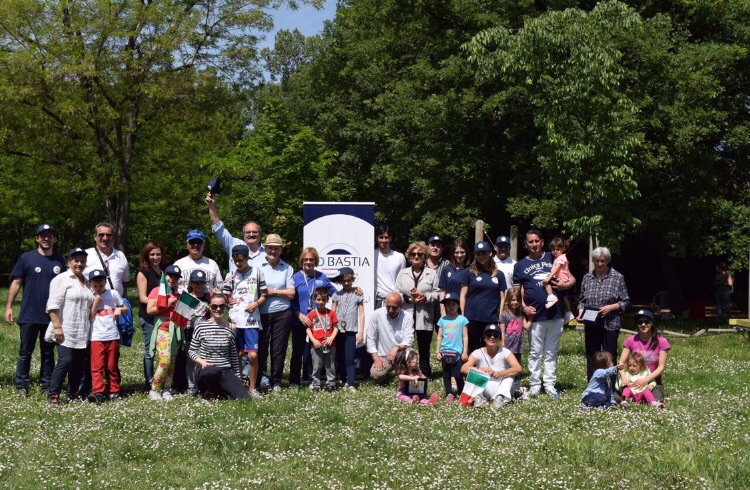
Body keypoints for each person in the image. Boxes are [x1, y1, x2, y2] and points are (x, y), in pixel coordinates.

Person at [5, 223, 66, 397]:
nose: (46, 238)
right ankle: (22, 386)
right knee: (25, 352)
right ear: (37, 238)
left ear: (54, 239)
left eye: (50, 235)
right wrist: (9, 306)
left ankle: (46, 385)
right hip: (29, 314)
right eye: (43, 235)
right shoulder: (26, 258)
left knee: (48, 353)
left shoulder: (60, 261)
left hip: (51, 316)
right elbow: (16, 282)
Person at [513, 229, 575, 398]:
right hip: (535, 315)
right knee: (535, 352)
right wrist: (524, 308)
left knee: (551, 352)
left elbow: (572, 278)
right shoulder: (520, 265)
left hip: (556, 313)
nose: (534, 244)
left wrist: (565, 285)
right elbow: (517, 292)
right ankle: (534, 384)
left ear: (542, 242)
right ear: (525, 244)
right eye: (530, 242)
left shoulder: (553, 256)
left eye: (537, 241)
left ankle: (549, 384)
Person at [45, 247, 95, 405]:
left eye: (82, 261)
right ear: (69, 262)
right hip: (65, 328)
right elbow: (53, 305)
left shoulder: (87, 282)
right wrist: (57, 326)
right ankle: (53, 394)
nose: (79, 264)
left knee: (78, 364)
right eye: (76, 260)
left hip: (82, 330)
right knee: (65, 360)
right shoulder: (61, 279)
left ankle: (73, 392)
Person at [576, 246, 630, 381]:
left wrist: (611, 307)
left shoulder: (617, 277)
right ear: (593, 261)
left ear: (608, 261)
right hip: (591, 323)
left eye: (603, 261)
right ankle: (593, 385)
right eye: (596, 260)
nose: (599, 264)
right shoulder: (587, 277)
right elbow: (581, 300)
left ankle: (610, 386)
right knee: (592, 355)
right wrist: (580, 312)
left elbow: (626, 301)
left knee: (609, 355)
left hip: (610, 323)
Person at [222, 244, 267, 397]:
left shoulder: (257, 272)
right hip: (235, 320)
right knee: (238, 355)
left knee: (252, 355)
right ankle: (240, 386)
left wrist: (256, 303)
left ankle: (253, 388)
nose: (238, 263)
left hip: (251, 320)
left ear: (247, 258)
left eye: (241, 260)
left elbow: (264, 294)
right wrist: (228, 301)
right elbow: (226, 297)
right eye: (235, 261)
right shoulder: (230, 276)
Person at [290, 247, 337, 388]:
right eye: (305, 259)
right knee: (297, 352)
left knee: (317, 350)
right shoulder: (295, 278)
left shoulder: (321, 277)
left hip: (318, 321)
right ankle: (294, 381)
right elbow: (290, 301)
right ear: (301, 261)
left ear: (316, 261)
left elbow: (336, 294)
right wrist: (299, 315)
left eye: (311, 259)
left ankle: (313, 379)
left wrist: (353, 290)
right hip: (300, 320)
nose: (308, 262)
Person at [189, 293, 249, 400]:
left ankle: (221, 391)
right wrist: (202, 362)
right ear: (209, 307)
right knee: (212, 372)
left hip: (225, 369)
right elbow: (192, 351)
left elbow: (233, 356)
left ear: (225, 307)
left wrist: (237, 378)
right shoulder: (201, 327)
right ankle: (210, 393)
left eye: (221, 306)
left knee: (244, 398)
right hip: (207, 370)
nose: (218, 309)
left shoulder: (231, 327)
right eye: (214, 306)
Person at [395, 241, 440, 377]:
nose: (416, 257)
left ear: (424, 257)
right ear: (409, 257)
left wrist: (424, 296)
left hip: (424, 316)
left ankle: (425, 373)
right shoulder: (402, 273)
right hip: (406, 314)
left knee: (424, 347)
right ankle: (404, 372)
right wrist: (410, 300)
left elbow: (437, 293)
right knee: (406, 345)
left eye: (420, 254)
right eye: (413, 254)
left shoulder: (431, 273)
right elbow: (397, 293)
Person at [258, 234, 295, 392]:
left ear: (281, 250)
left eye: (276, 248)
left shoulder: (287, 268)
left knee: (278, 350)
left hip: (282, 313)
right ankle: (260, 379)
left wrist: (274, 292)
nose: (273, 251)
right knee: (261, 349)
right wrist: (281, 292)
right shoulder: (257, 267)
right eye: (270, 248)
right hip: (261, 313)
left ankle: (277, 382)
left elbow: (291, 293)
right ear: (265, 249)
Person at [87, 269, 127, 404]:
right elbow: (90, 317)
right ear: (90, 284)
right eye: (95, 286)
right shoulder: (90, 296)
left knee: (111, 366)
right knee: (97, 366)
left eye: (101, 285)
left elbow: (125, 307)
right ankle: (98, 391)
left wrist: (118, 309)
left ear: (105, 282)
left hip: (112, 335)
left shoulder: (113, 293)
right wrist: (96, 302)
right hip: (96, 336)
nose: (98, 288)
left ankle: (114, 391)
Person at [460, 324, 521, 409]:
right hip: (483, 386)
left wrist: (501, 373)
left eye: (496, 336)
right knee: (473, 373)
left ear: (499, 339)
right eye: (489, 335)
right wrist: (480, 369)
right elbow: (463, 369)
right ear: (484, 338)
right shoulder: (477, 353)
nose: (492, 338)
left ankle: (500, 398)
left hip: (501, 385)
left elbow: (518, 368)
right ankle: (479, 398)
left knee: (510, 377)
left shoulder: (505, 352)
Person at [461, 241, 506, 353]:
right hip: (472, 318)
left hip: (491, 318)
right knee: (473, 350)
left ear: (490, 253)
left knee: (489, 349)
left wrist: (500, 317)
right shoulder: (468, 272)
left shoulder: (499, 274)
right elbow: (463, 295)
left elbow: (502, 298)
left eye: (484, 253)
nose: (481, 256)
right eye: (478, 254)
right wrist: (462, 315)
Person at [617, 309, 670, 404]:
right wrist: (624, 378)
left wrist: (646, 380)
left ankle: (638, 398)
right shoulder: (631, 340)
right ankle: (633, 398)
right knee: (615, 398)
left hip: (651, 381)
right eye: (640, 322)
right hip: (631, 379)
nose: (643, 324)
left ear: (652, 323)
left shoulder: (661, 341)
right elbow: (621, 363)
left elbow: (661, 367)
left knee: (656, 400)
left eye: (646, 321)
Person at [173, 269, 211, 396]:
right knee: (191, 360)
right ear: (191, 283)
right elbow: (178, 320)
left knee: (204, 359)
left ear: (205, 283)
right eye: (196, 282)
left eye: (201, 282)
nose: (199, 285)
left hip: (205, 334)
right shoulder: (187, 298)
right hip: (189, 333)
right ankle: (190, 386)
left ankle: (202, 385)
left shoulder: (209, 298)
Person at [146, 265, 181, 401]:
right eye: (170, 276)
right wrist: (167, 303)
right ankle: (154, 389)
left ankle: (167, 389)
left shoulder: (178, 295)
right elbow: (150, 310)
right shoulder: (157, 291)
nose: (172, 279)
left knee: (172, 363)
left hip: (175, 331)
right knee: (164, 361)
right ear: (164, 276)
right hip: (163, 330)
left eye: (176, 277)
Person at [205, 192, 266, 271]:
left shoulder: (268, 252)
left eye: (254, 232)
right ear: (243, 234)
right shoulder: (234, 245)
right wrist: (211, 206)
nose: (251, 234)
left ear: (260, 234)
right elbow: (218, 229)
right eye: (248, 232)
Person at [366, 292, 415, 382]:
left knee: (411, 354)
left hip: (401, 353)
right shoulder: (376, 314)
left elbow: (409, 340)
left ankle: (408, 374)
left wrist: (397, 348)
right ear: (385, 303)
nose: (391, 310)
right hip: (384, 356)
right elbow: (370, 339)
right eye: (388, 306)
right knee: (376, 374)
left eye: (394, 307)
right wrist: (376, 359)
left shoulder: (407, 317)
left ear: (401, 305)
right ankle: (392, 375)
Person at [135, 241, 165, 390]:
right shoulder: (143, 272)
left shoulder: (164, 271)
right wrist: (161, 304)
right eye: (152, 254)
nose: (155, 257)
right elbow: (143, 298)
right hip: (148, 316)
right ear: (146, 255)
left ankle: (161, 379)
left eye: (158, 254)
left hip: (162, 316)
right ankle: (149, 382)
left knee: (163, 349)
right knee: (150, 350)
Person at [331, 267, 365, 390]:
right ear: (340, 281)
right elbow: (332, 313)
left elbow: (362, 314)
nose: (346, 283)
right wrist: (330, 331)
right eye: (344, 281)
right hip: (337, 330)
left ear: (352, 280)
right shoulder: (336, 295)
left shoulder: (357, 294)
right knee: (338, 356)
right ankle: (342, 379)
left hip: (351, 330)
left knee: (350, 357)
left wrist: (361, 332)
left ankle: (351, 383)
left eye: (348, 280)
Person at [435, 292, 468, 401]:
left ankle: (461, 392)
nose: (451, 306)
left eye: (453, 304)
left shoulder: (462, 319)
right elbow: (439, 337)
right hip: (445, 352)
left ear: (458, 305)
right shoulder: (442, 320)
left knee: (458, 374)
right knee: (446, 374)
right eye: (448, 304)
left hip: (457, 353)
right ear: (445, 306)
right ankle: (449, 393)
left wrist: (465, 352)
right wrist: (438, 351)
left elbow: (465, 336)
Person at [83, 223, 130, 296]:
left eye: (108, 235)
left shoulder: (120, 255)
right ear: (95, 237)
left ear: (113, 237)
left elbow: (125, 283)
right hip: (92, 302)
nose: (105, 238)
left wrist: (124, 300)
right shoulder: (86, 255)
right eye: (101, 235)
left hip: (116, 302)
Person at [306, 287, 339, 392]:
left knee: (330, 366)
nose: (320, 302)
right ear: (314, 300)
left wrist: (331, 337)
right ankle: (316, 384)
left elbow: (336, 327)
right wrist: (313, 340)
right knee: (316, 366)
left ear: (327, 300)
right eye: (318, 299)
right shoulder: (311, 314)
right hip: (316, 345)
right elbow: (308, 329)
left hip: (330, 345)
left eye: (323, 300)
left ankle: (331, 384)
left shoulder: (331, 313)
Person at [499, 286, 528, 396]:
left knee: (517, 367)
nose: (515, 302)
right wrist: (502, 343)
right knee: (507, 368)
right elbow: (502, 331)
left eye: (517, 300)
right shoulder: (504, 315)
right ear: (508, 300)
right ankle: (505, 388)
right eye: (512, 300)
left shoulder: (520, 314)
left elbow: (526, 327)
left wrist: (531, 318)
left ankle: (516, 389)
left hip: (518, 346)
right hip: (508, 346)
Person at [374, 225, 406, 309]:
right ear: (377, 238)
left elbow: (402, 280)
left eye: (386, 237)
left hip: (394, 299)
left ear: (390, 238)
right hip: (377, 300)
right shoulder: (371, 256)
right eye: (381, 237)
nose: (383, 240)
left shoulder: (399, 257)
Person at [438, 239, 471, 315]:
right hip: (450, 309)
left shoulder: (471, 270)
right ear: (453, 253)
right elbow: (442, 292)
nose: (459, 255)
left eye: (462, 252)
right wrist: (443, 312)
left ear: (467, 253)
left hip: (467, 311)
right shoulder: (446, 269)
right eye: (456, 252)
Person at [542, 238, 574, 314]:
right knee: (565, 297)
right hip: (563, 279)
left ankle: (551, 297)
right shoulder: (559, 257)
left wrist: (548, 278)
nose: (555, 251)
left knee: (546, 283)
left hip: (561, 279)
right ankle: (569, 313)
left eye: (557, 249)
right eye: (553, 250)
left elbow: (556, 269)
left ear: (563, 249)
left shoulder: (561, 257)